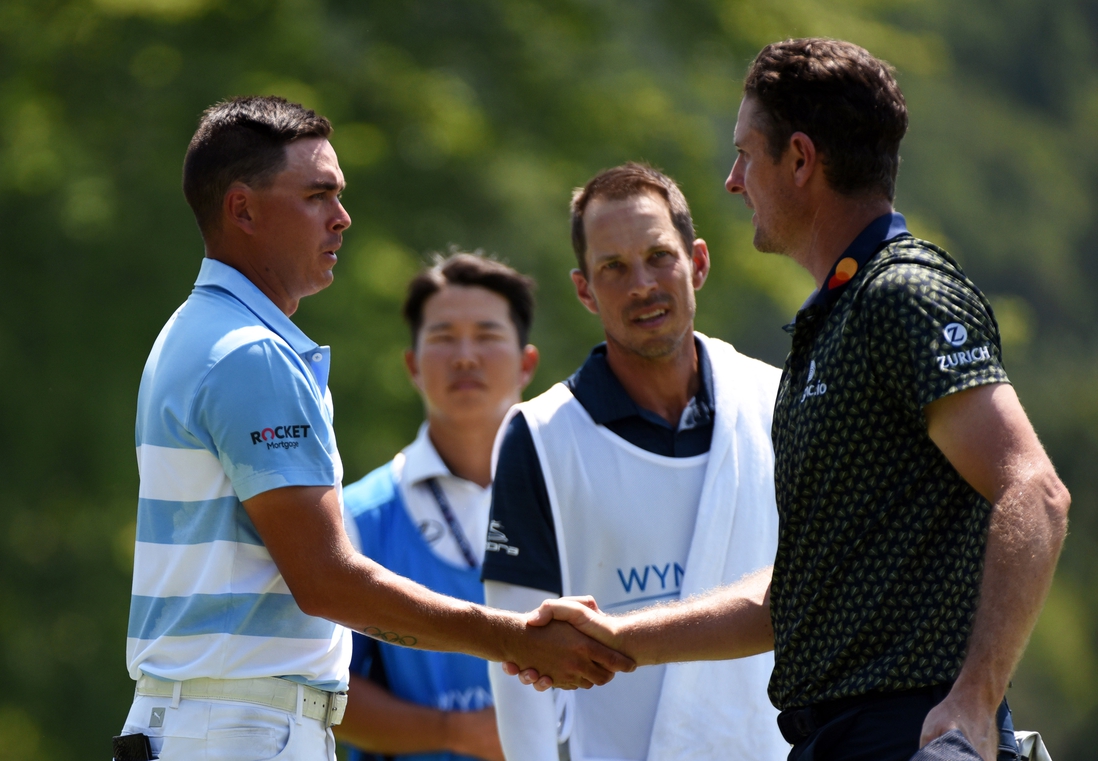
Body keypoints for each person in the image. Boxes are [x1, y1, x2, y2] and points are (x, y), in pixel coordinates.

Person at [516, 39, 1071, 761]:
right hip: (839, 739)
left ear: (801, 160)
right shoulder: (836, 319)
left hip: (913, 735)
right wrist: (623, 638)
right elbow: (796, 596)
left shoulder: (904, 293)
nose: (732, 180)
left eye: (746, 154)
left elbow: (1035, 490)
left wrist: (976, 697)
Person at [114, 96, 632, 761]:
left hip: (214, 721)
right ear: (242, 209)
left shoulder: (196, 332)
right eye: (317, 196)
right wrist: (512, 638)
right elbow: (328, 580)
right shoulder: (251, 353)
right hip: (239, 727)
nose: (342, 218)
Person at [483, 163, 789, 761]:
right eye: (613, 268)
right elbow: (517, 658)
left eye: (659, 257)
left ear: (697, 262)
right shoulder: (539, 436)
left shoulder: (779, 400)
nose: (642, 285)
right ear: (584, 290)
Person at [336, 252, 539, 761]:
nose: (465, 356)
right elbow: (324, 688)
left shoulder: (574, 500)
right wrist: (457, 731)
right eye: (444, 337)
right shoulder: (354, 518)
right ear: (412, 365)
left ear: (527, 363)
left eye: (488, 335)